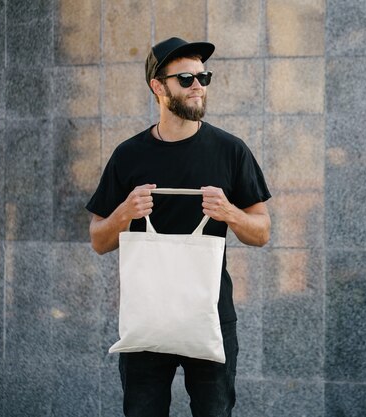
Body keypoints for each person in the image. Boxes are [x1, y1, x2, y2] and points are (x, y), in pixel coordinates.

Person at [86, 37, 271, 417]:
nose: (198, 85)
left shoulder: (230, 150)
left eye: (204, 76)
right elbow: (99, 240)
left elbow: (262, 232)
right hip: (146, 319)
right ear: (158, 86)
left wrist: (230, 213)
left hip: (210, 315)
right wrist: (124, 212)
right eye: (186, 78)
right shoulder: (128, 154)